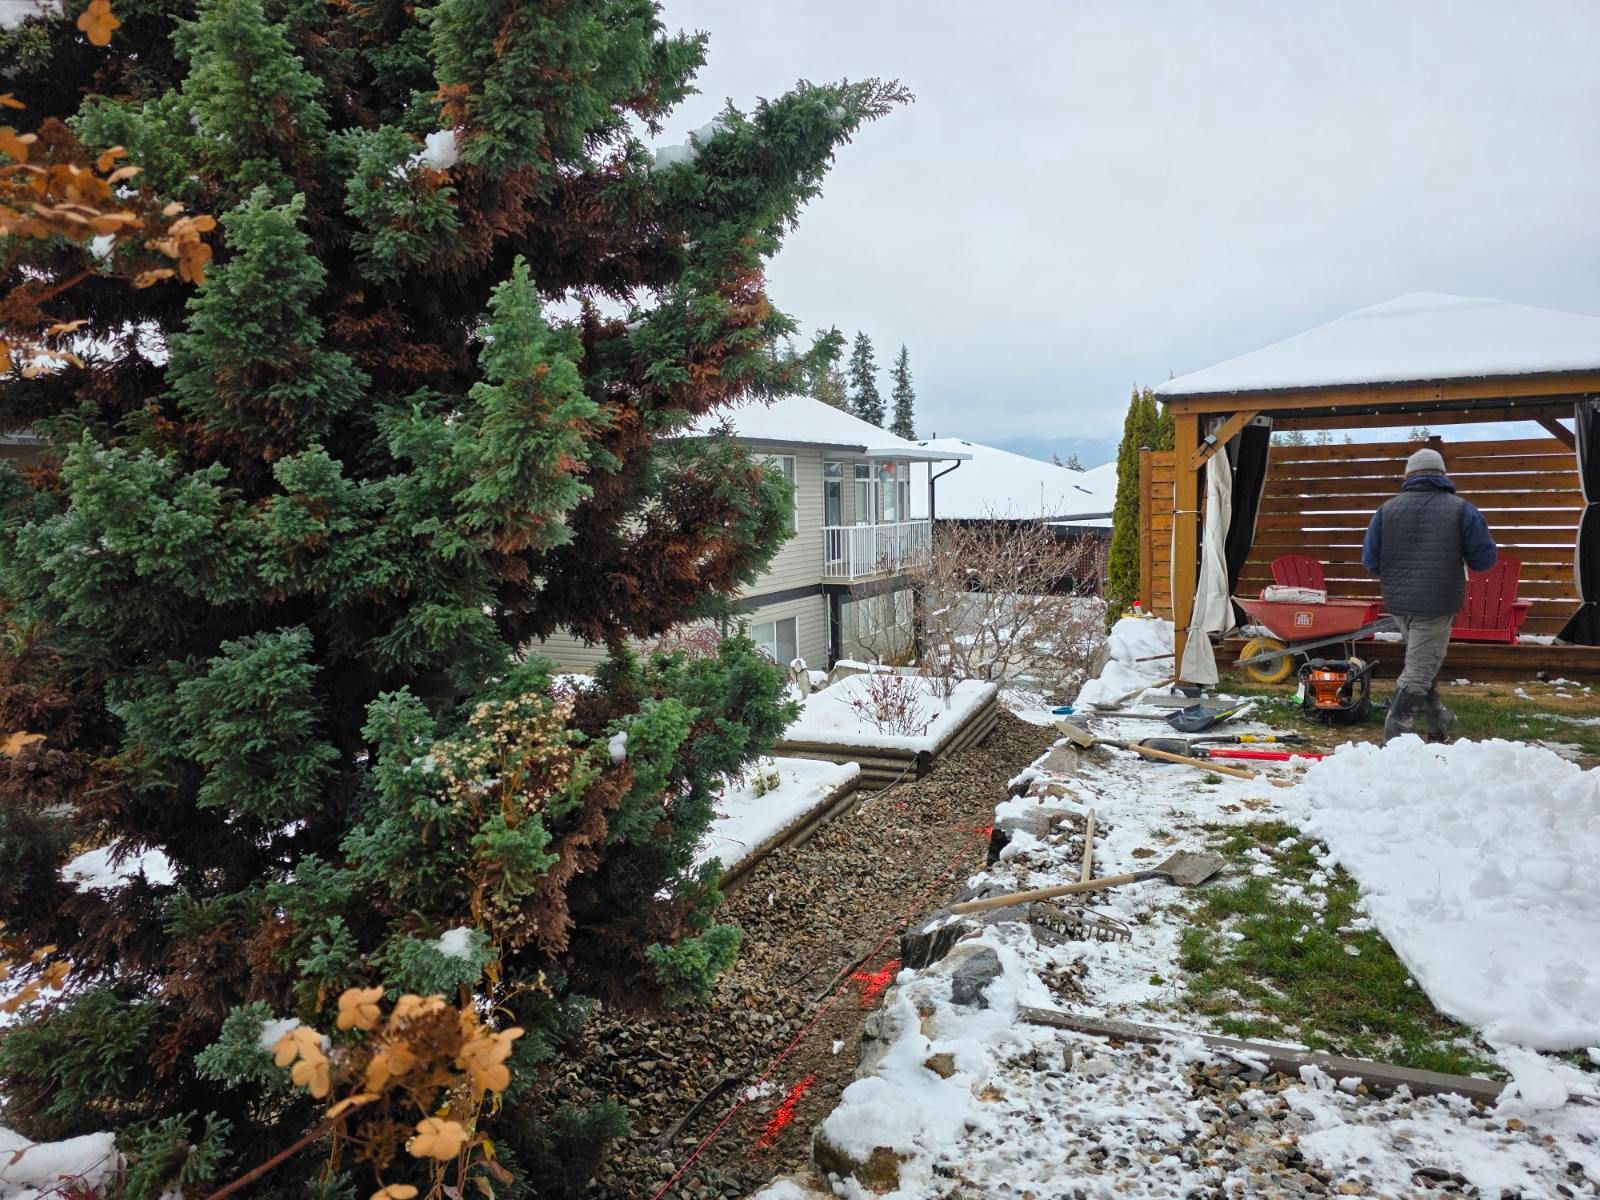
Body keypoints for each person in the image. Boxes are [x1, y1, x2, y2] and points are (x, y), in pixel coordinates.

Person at [1361, 447, 1496, 743]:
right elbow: (1483, 560)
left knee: (1423, 662)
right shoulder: (1462, 509)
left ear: (1408, 476)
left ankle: (1437, 725)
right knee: (1419, 670)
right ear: (1442, 475)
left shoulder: (1387, 510)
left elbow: (1370, 561)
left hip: (1398, 602)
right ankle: (1395, 739)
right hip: (1436, 603)